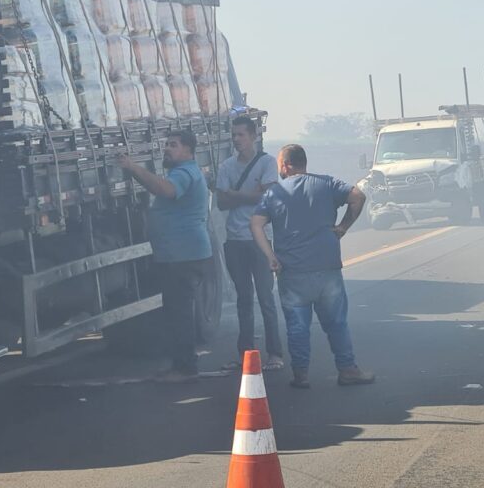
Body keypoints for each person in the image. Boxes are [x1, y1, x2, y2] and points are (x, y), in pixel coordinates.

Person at [250, 144, 375, 389]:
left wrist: (270, 256)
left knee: (297, 327)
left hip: (292, 273)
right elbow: (358, 196)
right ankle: (348, 369)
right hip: (327, 269)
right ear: (304, 163)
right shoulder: (326, 184)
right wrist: (343, 226)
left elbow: (255, 224)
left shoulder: (274, 193)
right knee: (336, 323)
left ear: (285, 166)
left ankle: (301, 375)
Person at [118, 130, 210, 383]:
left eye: (173, 145)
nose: (166, 149)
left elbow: (165, 189)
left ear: (188, 150)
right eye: (166, 144)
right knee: (177, 312)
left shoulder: (184, 173)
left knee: (179, 313)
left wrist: (133, 168)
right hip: (179, 254)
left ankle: (185, 368)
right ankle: (181, 364)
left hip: (183, 256)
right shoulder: (185, 171)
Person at [215, 116, 284, 371]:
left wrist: (235, 194)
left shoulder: (266, 162)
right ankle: (245, 354)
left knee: (265, 298)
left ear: (253, 136)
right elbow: (222, 203)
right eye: (233, 135)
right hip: (235, 240)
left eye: (241, 135)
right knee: (243, 299)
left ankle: (275, 353)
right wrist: (249, 195)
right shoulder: (226, 166)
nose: (236, 140)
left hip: (260, 241)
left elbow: (268, 197)